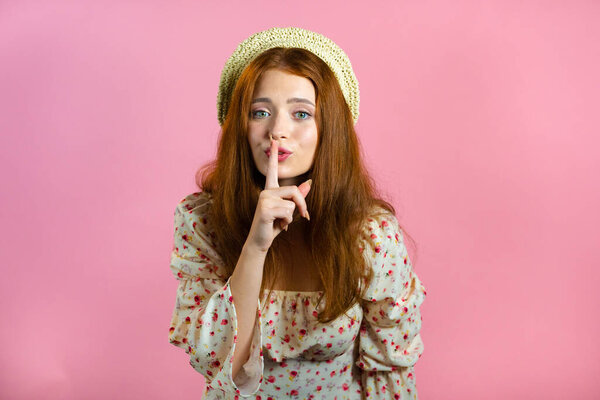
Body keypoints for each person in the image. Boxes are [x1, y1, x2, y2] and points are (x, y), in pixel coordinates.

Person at [167, 27, 427, 399]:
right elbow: (222, 363)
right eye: (260, 112)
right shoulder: (202, 221)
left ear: (329, 129)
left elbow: (390, 370)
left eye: (301, 113)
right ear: (239, 126)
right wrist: (255, 247)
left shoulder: (370, 233)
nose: (277, 131)